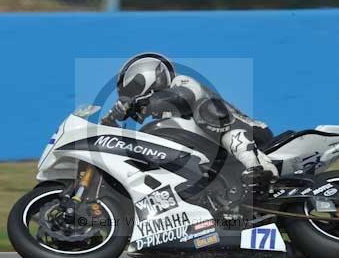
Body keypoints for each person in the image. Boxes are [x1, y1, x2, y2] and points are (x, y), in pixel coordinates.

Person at [104, 52, 279, 192]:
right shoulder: (167, 119)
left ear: (148, 76)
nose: (131, 96)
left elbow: (183, 97)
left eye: (133, 90)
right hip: (219, 155)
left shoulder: (181, 82)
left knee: (208, 110)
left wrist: (139, 103)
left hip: (253, 133)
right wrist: (108, 123)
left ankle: (259, 167)